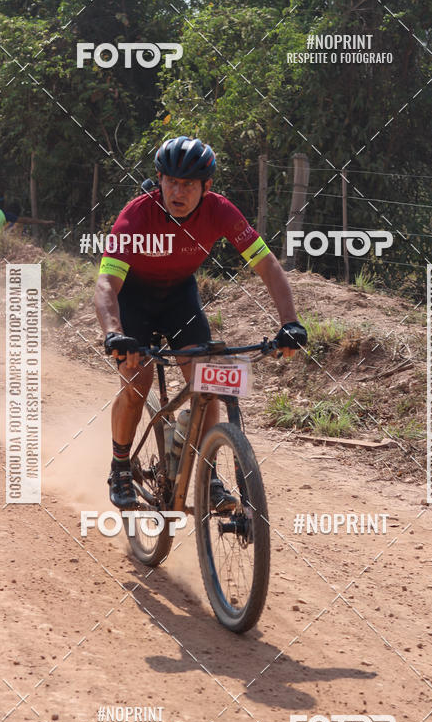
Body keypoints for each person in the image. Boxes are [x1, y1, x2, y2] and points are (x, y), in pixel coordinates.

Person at [94, 135, 308, 510]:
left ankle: (206, 476)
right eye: (171, 182)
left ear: (206, 187)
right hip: (134, 302)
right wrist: (114, 333)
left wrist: (290, 322)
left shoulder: (221, 211)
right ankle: (120, 465)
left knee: (207, 383)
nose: (178, 192)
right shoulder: (136, 215)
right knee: (137, 382)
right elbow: (107, 283)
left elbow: (267, 265)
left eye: (188, 184)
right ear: (159, 179)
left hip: (179, 299)